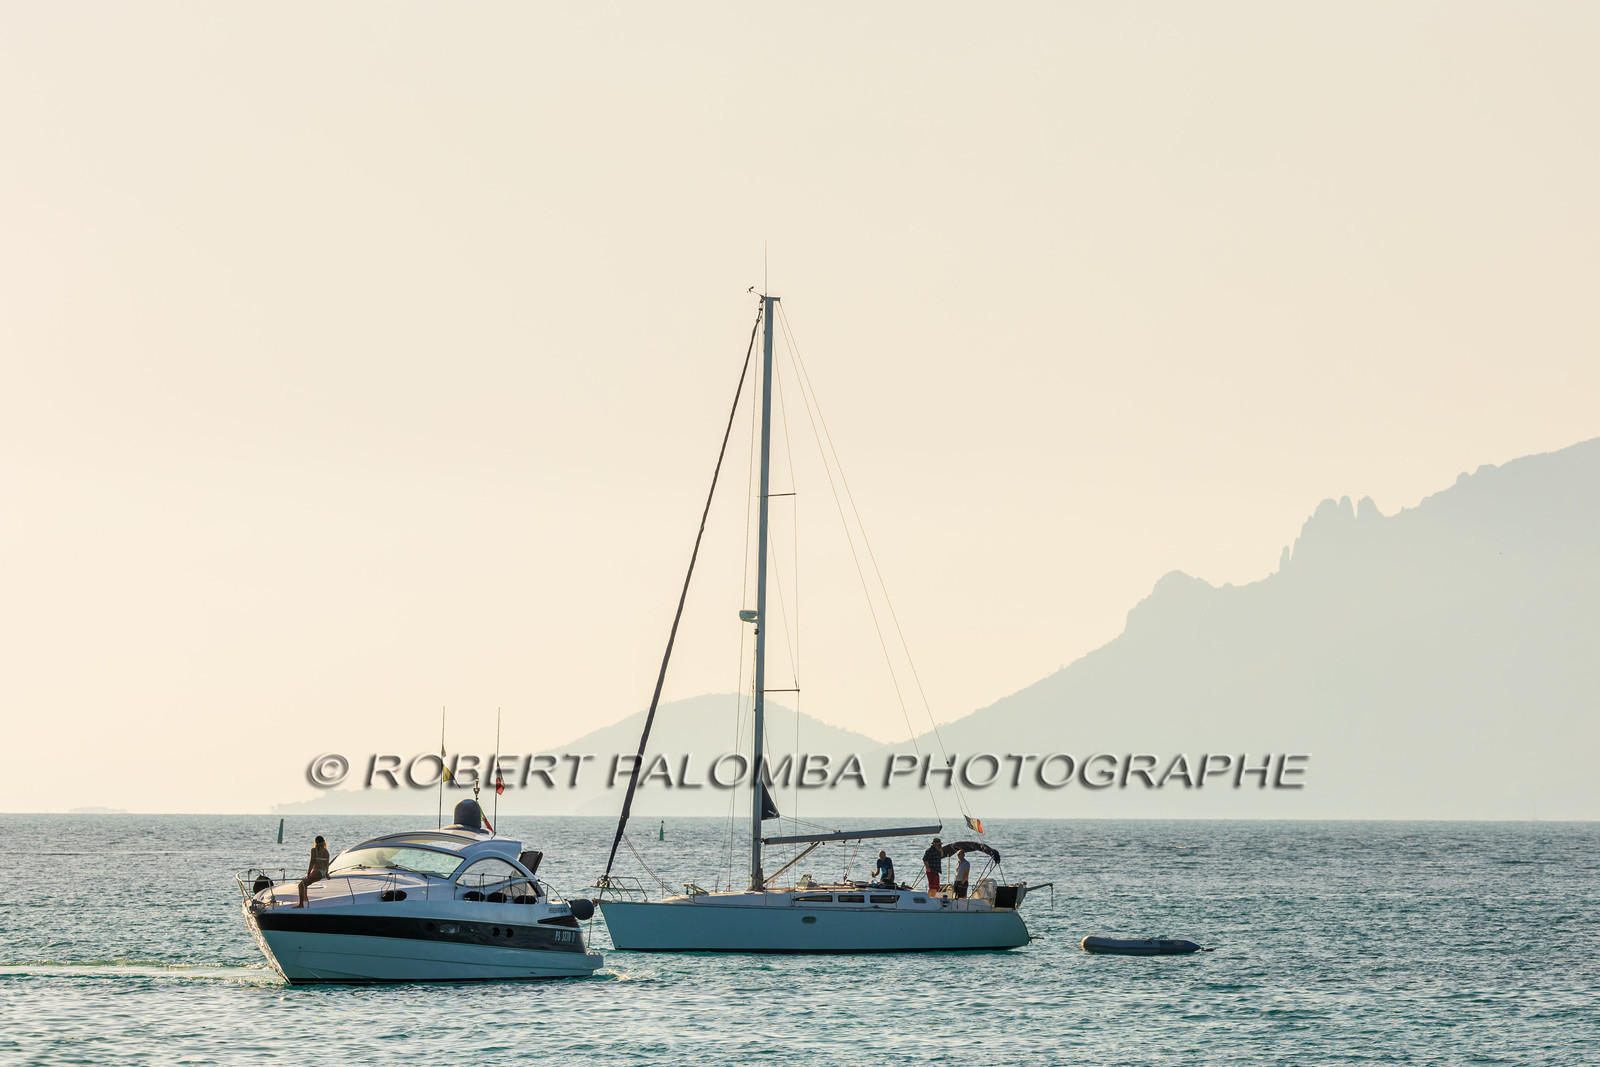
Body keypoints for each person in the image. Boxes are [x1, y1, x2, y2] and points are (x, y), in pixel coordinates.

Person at [297, 835, 330, 907]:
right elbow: (327, 864)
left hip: (317, 871)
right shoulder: (326, 851)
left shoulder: (314, 850)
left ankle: (301, 904)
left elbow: (312, 862)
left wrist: (308, 873)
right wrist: (326, 873)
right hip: (323, 872)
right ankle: (305, 900)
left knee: (301, 885)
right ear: (324, 842)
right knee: (304, 884)